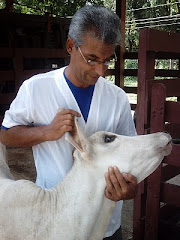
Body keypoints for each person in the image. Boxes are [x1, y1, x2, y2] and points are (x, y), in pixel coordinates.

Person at [0, 5, 137, 240]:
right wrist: (46, 132)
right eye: (92, 59)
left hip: (105, 223)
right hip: (53, 222)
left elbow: (130, 154)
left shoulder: (117, 98)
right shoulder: (36, 88)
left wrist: (129, 188)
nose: (100, 71)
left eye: (107, 60)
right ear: (71, 46)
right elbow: (6, 135)